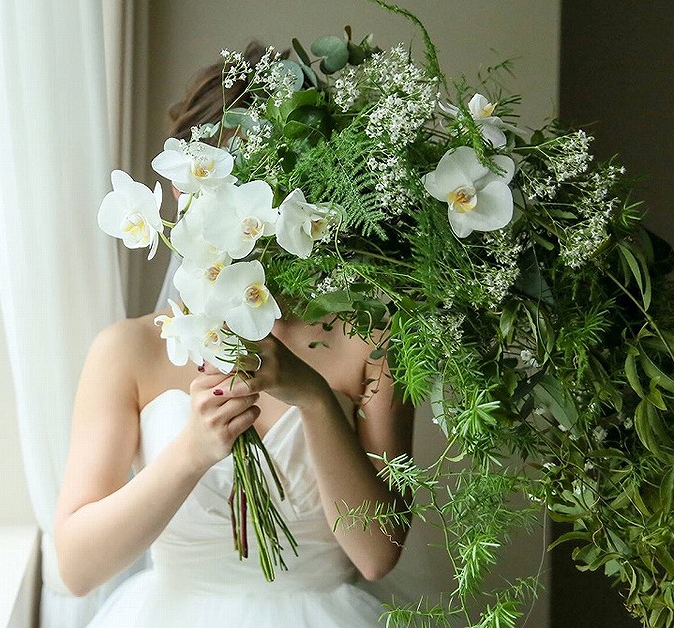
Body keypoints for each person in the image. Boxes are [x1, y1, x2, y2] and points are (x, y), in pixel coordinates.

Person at [53, 43, 416, 626]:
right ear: (180, 191)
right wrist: (191, 454)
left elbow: (377, 556)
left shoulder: (369, 342)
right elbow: (76, 569)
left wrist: (315, 399)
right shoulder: (128, 351)